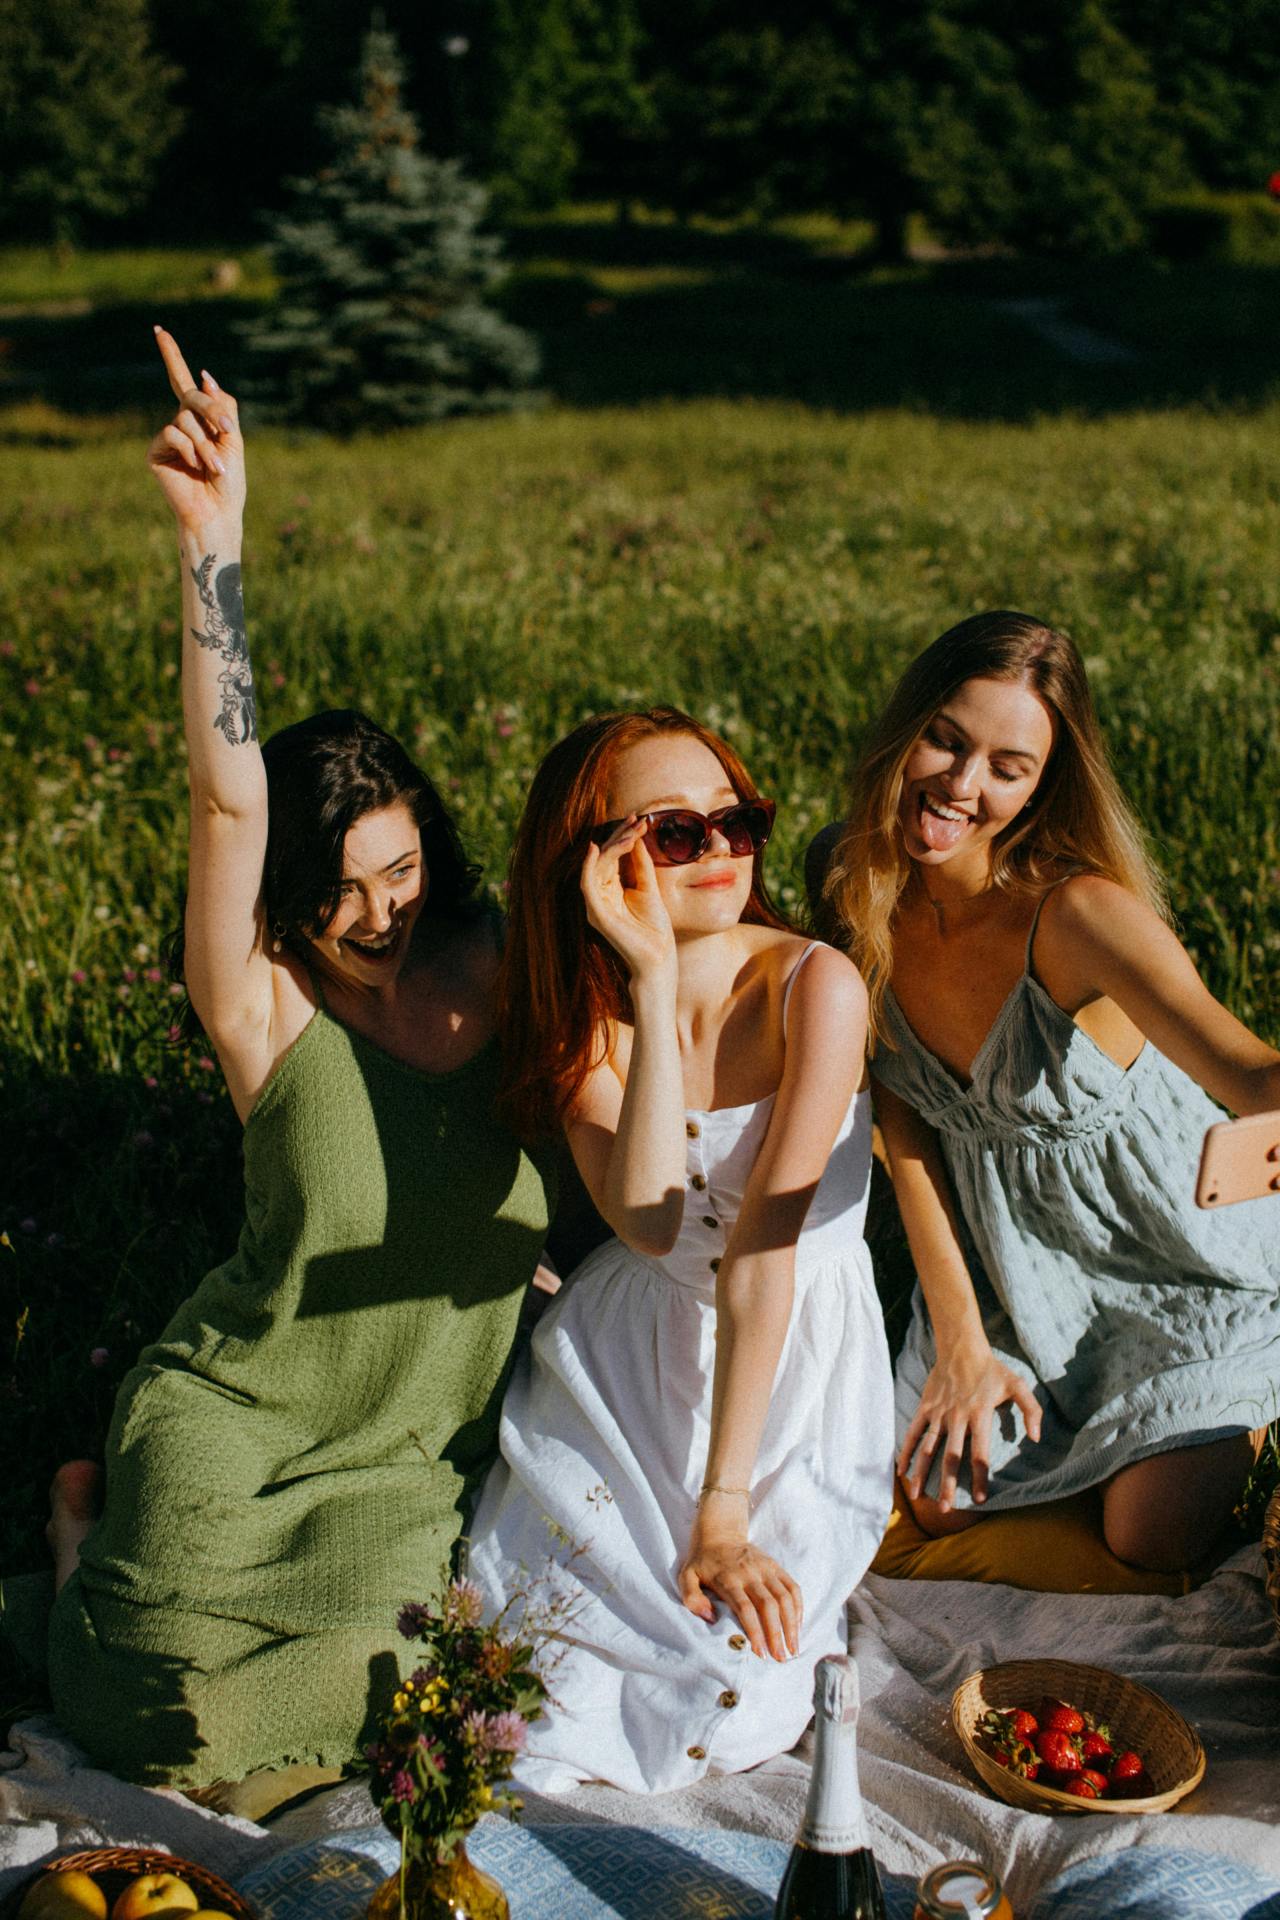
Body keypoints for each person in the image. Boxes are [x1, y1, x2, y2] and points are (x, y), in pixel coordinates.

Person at [44, 331, 555, 1795]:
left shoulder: (507, 962)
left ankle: (81, 1556)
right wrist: (217, 543)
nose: (374, 914)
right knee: (156, 1698)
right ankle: (83, 1551)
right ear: (286, 899)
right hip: (238, 1411)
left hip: (398, 1460)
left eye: (398, 872)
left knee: (390, 1690)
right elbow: (222, 799)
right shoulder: (263, 1006)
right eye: (335, 888)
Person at [468, 707, 895, 1794]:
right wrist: (652, 990)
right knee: (538, 1683)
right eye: (672, 834)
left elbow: (763, 1251)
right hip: (632, 1348)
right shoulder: (588, 1012)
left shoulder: (815, 987)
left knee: (735, 1682)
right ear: (596, 866)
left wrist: (725, 1508)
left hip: (788, 1353)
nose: (717, 854)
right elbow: (652, 1222)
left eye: (735, 821)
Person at [813, 609, 1280, 1574]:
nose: (961, 785)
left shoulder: (1077, 915)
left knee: (1144, 1534)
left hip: (1176, 1266)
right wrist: (957, 1340)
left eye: (1006, 767)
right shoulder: (854, 883)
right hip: (1016, 1280)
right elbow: (900, 1127)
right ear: (907, 726)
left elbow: (1251, 1073)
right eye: (945, 739)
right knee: (941, 1500)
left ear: (1039, 787)